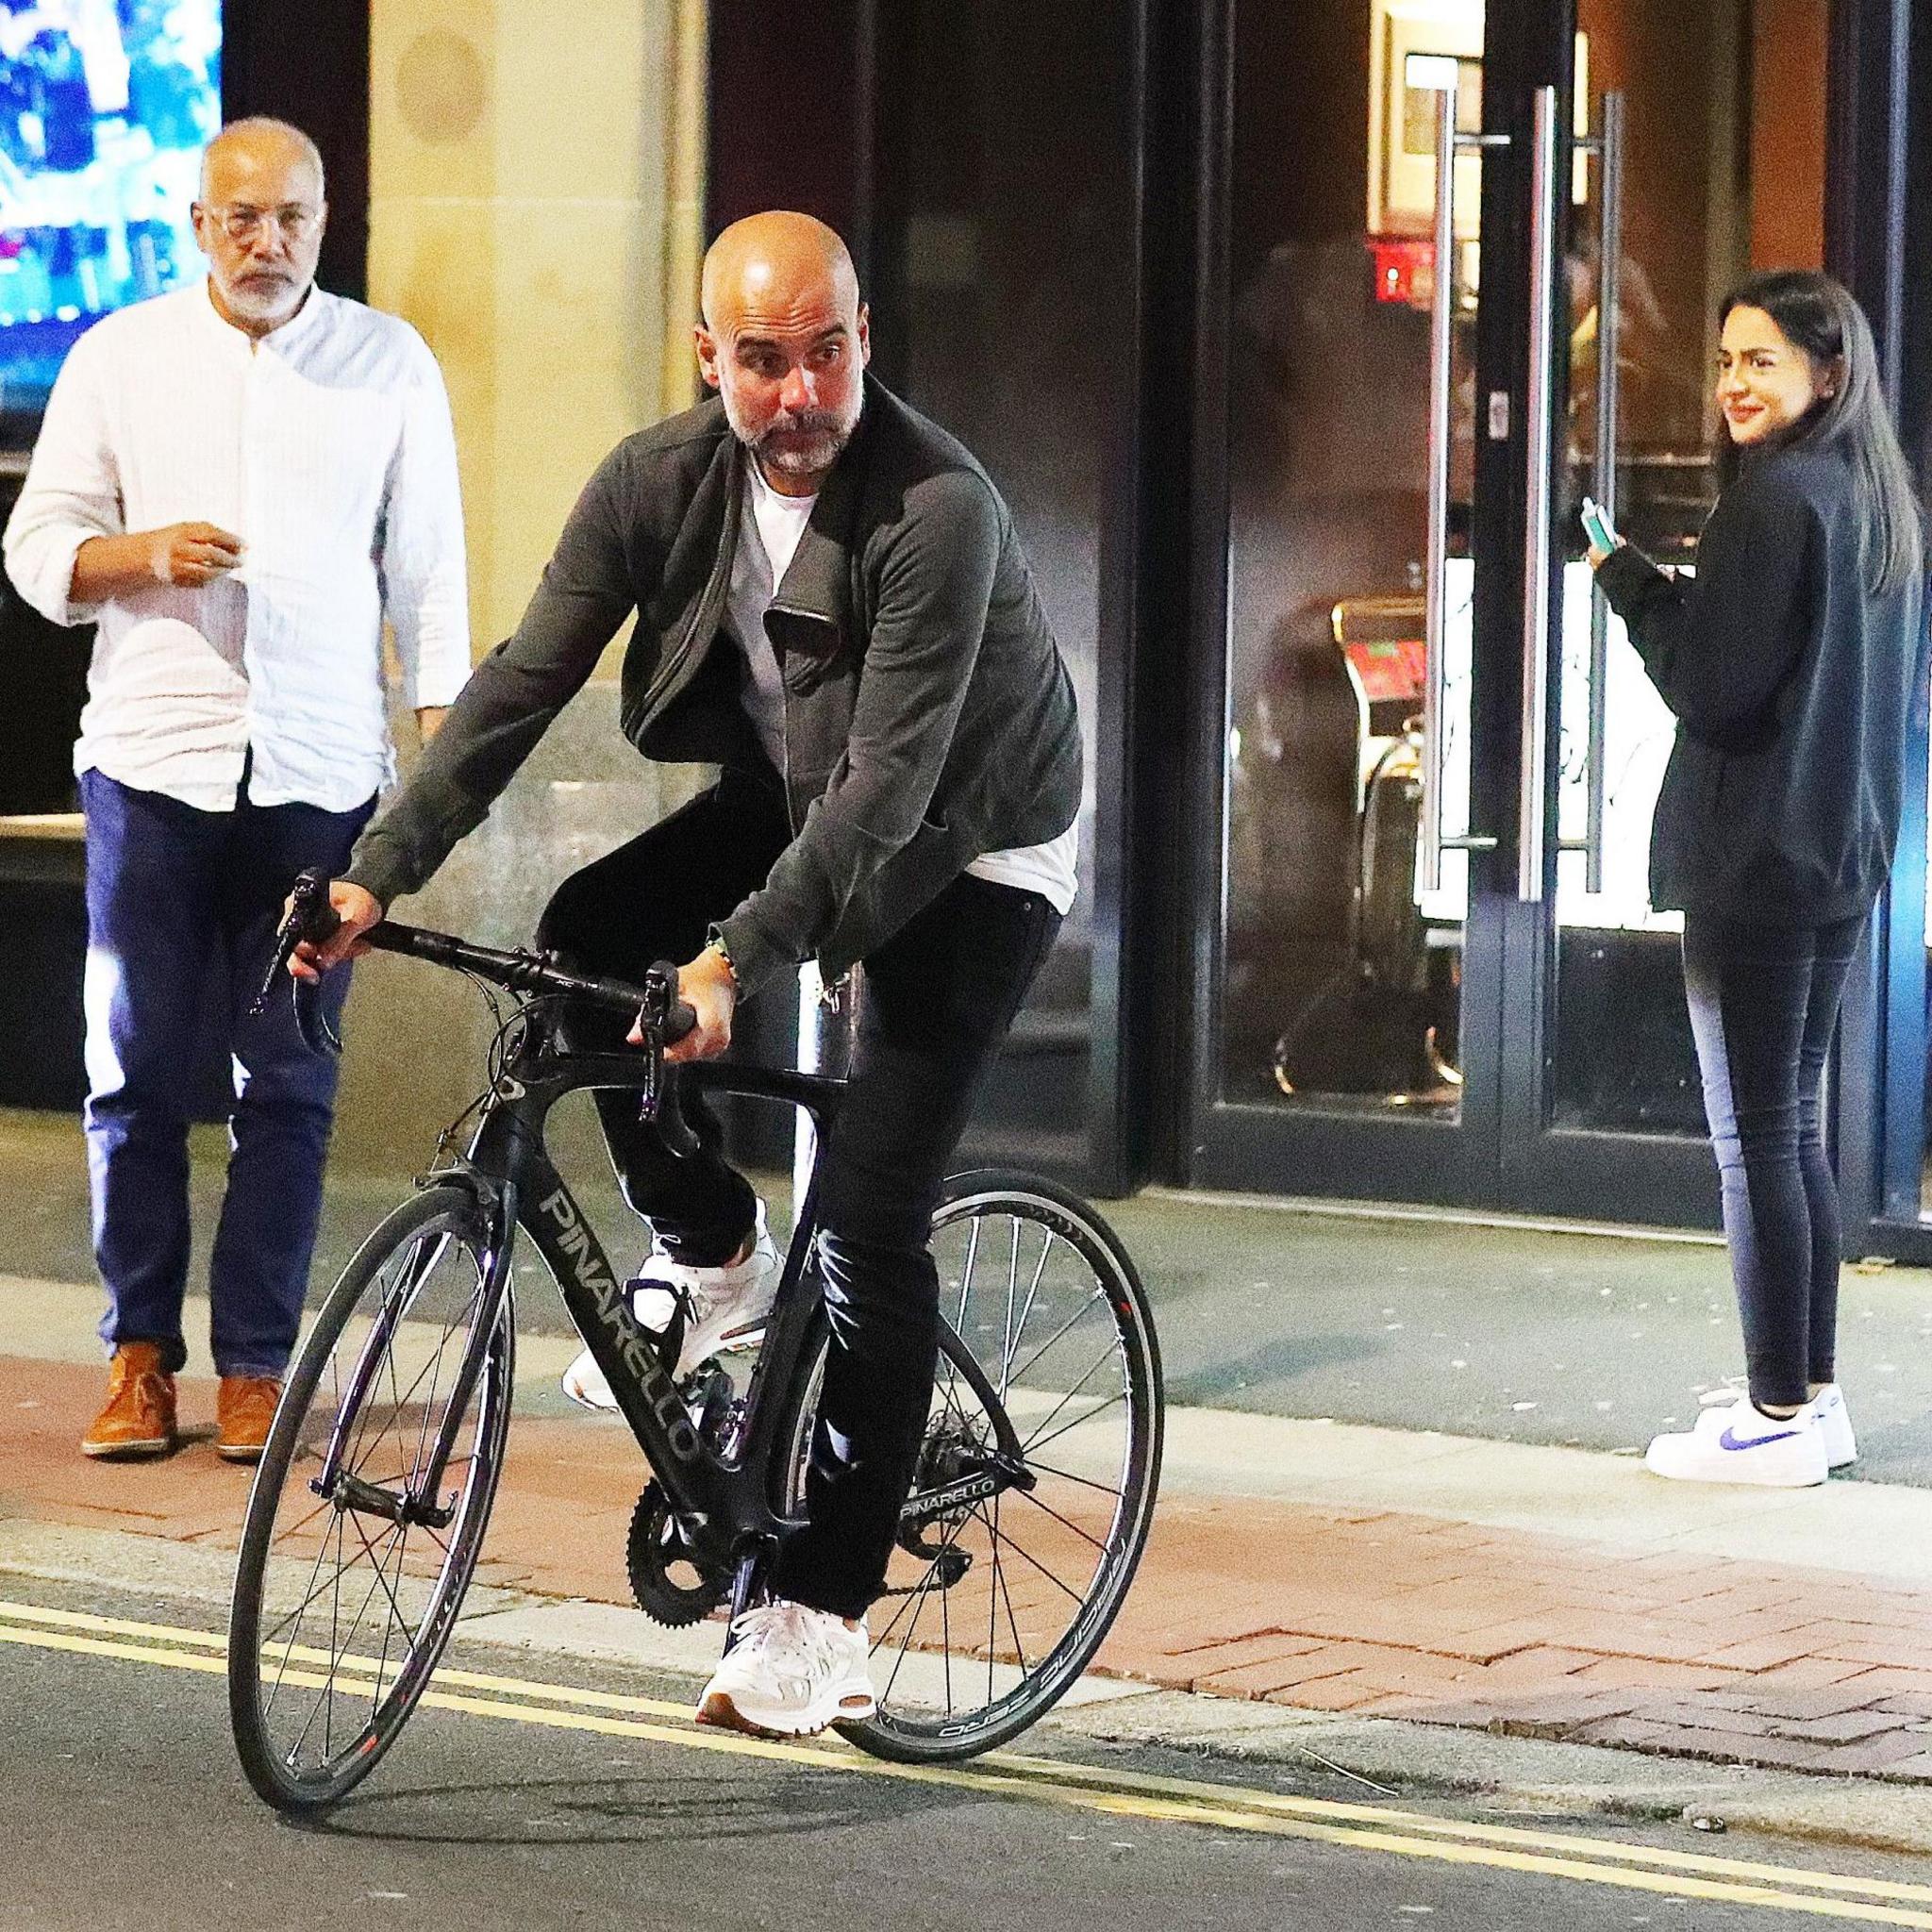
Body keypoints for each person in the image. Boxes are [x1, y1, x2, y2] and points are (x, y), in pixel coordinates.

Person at [297, 210, 1083, 1737]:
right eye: (767, 361)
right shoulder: (656, 482)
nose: (803, 395)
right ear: (707, 356)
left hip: (973, 841)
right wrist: (372, 870)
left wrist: (734, 959)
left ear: (867, 340)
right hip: (806, 798)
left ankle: (822, 1613)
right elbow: (523, 684)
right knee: (585, 944)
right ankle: (711, 1242)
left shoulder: (938, 505)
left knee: (866, 1220)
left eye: (831, 353)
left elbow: (893, 790)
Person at [3, 117, 471, 1464]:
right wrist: (135, 554)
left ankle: (258, 1365)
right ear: (197, 225)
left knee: (288, 1082)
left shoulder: (388, 361)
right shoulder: (118, 356)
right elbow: (36, 550)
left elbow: (430, 576)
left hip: (320, 774)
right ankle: (138, 1356)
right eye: (243, 218)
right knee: (135, 1071)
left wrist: (441, 771)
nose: (270, 242)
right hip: (152, 761)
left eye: (296, 219)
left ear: (328, 223)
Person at [1589, 270, 1924, 1488]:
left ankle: (1778, 1415)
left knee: (1758, 1143)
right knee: (1792, 1139)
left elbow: (1714, 693)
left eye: (1764, 361)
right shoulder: (1872, 500)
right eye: (1727, 358)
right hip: (1837, 852)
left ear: (1826, 376)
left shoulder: (1771, 502)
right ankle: (1807, 1400)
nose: (1735, 382)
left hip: (1757, 858)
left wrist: (1626, 579)